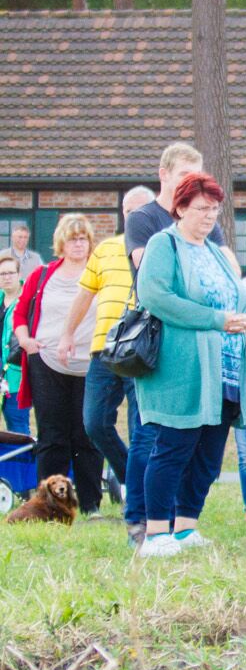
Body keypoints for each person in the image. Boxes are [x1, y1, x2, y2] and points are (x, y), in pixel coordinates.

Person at [133, 173, 246, 557]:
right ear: (181, 207)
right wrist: (216, 320)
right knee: (174, 447)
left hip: (227, 368)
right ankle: (155, 533)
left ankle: (186, 527)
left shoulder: (216, 252)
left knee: (208, 451)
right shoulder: (163, 244)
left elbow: (237, 296)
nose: (209, 216)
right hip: (184, 367)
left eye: (215, 210)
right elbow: (155, 295)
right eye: (202, 208)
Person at [57, 186, 155, 541]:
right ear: (123, 215)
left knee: (142, 430)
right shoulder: (106, 249)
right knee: (94, 422)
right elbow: (85, 295)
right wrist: (67, 334)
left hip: (145, 353)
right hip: (106, 349)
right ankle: (130, 476)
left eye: (143, 210)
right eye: (130, 212)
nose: (136, 218)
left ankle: (139, 510)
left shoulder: (162, 247)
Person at [10, 215, 103, 514]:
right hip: (47, 363)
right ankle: (50, 506)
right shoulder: (42, 275)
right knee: (52, 436)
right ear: (61, 242)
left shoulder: (100, 274)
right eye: (72, 238)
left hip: (90, 366)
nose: (78, 244)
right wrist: (26, 342)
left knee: (87, 435)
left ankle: (90, 505)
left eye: (83, 238)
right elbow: (20, 315)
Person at [126, 143, 232, 274]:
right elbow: (149, 269)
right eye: (185, 175)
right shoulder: (141, 218)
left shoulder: (205, 219)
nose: (192, 182)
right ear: (164, 174)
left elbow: (230, 267)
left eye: (196, 176)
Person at [0, 253, 27, 435]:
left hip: (15, 376)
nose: (7, 277)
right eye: (2, 274)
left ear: (18, 274)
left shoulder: (27, 301)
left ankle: (22, 464)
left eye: (11, 273)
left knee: (17, 427)